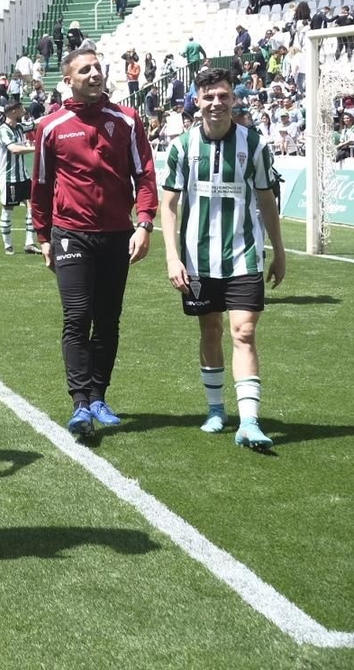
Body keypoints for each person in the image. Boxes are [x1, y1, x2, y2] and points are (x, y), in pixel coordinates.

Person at [31, 48, 158, 439]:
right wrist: (43, 235)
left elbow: (146, 174)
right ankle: (80, 403)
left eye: (98, 68)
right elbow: (40, 184)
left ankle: (99, 396)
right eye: (85, 69)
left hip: (118, 234)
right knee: (77, 315)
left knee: (107, 320)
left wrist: (144, 224)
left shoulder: (127, 119)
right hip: (70, 233)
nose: (94, 74)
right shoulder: (50, 126)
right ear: (68, 79)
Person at [159, 68, 286, 449]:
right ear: (197, 101)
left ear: (234, 99)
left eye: (223, 96)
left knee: (244, 332)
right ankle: (216, 410)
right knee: (210, 330)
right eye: (209, 97)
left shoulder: (256, 145)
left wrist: (279, 252)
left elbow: (266, 200)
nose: (216, 103)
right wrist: (171, 257)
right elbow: (169, 204)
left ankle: (249, 421)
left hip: (244, 256)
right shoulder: (182, 147)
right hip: (197, 261)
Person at [0, 101, 40, 255]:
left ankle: (29, 243)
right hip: (10, 178)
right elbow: (14, 149)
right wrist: (37, 148)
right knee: (8, 210)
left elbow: (36, 123)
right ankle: (8, 246)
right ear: (13, 111)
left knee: (32, 206)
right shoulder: (3, 130)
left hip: (23, 176)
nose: (23, 110)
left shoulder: (20, 127)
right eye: (20, 108)